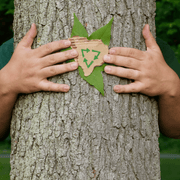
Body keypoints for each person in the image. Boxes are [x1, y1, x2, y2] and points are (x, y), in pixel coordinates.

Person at [0, 23, 180, 141]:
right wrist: (5, 85)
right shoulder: (14, 52)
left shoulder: (154, 52)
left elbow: (175, 130)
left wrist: (172, 88)